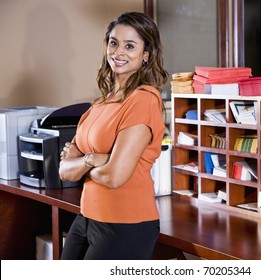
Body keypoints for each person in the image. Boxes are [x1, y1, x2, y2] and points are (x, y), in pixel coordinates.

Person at [59, 12, 168, 260]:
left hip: (125, 223)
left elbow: (115, 176)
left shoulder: (143, 100)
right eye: (114, 42)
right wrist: (93, 159)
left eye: (130, 46)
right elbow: (63, 171)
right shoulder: (99, 103)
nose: (118, 52)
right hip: (87, 216)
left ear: (146, 55)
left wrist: (83, 162)